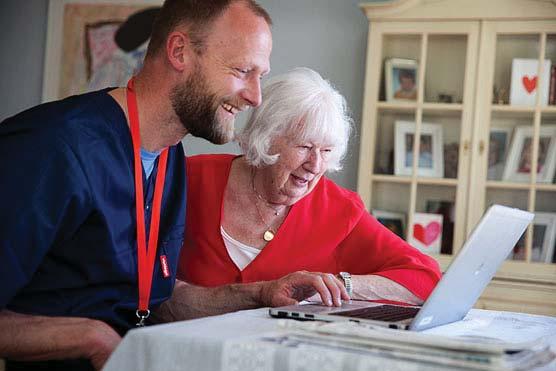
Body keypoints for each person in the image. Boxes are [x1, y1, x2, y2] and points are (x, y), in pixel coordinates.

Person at [0, 2, 347, 370]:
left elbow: (155, 303)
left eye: (260, 76)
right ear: (179, 51)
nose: (255, 97)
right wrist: (92, 338)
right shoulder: (52, 146)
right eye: (243, 71)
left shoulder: (170, 159)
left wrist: (260, 293)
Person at [177, 68, 441, 305]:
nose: (315, 165)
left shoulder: (338, 209)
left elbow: (426, 278)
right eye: (304, 147)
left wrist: (340, 284)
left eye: (326, 150)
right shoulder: (190, 179)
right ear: (265, 138)